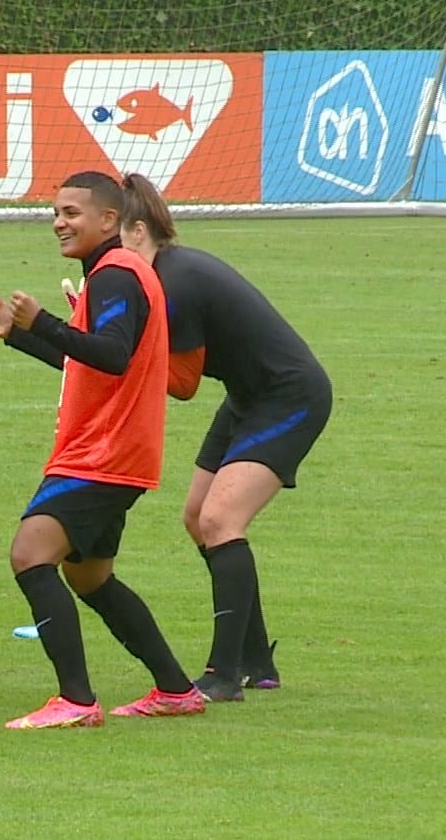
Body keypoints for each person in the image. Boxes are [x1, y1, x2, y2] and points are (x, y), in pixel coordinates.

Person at [0, 171, 201, 728]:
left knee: (30, 554)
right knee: (90, 578)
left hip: (102, 453)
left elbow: (112, 355)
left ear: (110, 221)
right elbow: (88, 365)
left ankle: (76, 701)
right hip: (117, 451)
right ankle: (176, 690)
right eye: (56, 212)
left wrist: (44, 321)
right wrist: (19, 334)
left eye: (72, 212)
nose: (59, 221)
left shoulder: (116, 274)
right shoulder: (118, 275)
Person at [118, 173, 333, 702]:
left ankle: (223, 672)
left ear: (138, 231)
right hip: (247, 397)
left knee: (220, 519)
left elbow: (184, 385)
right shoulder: (164, 273)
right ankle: (257, 661)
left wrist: (118, 355)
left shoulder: (176, 281)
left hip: (290, 396)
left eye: (114, 242)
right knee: (197, 517)